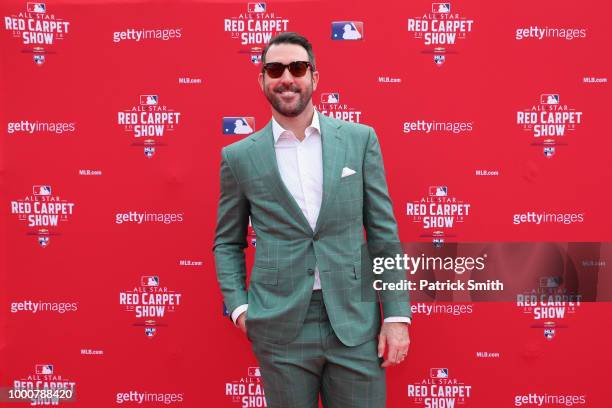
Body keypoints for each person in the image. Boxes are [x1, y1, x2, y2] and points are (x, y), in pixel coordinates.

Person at [213, 32, 411, 408]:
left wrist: (397, 315)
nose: (286, 78)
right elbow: (227, 241)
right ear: (263, 80)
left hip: (354, 320)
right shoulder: (239, 157)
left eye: (297, 67)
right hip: (280, 324)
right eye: (275, 69)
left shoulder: (359, 139)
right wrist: (240, 308)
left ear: (314, 78)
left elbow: (384, 235)